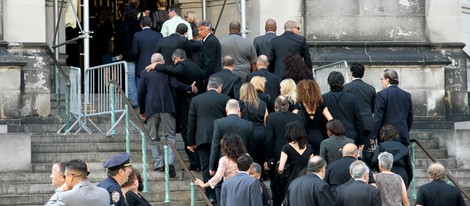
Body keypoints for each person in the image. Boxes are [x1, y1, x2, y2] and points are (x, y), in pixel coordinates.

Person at [138, 53, 196, 177]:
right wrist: (190, 88)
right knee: (170, 136)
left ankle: (159, 163)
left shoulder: (145, 73)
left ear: (152, 62)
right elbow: (176, 84)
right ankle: (170, 163)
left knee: (153, 137)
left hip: (151, 108)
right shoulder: (168, 72)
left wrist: (142, 109)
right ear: (163, 62)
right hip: (167, 107)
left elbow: (141, 92)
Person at [151, 49, 204, 171]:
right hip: (197, 101)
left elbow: (175, 71)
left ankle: (195, 163)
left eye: (174, 61)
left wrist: (157, 65)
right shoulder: (195, 66)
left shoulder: (182, 65)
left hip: (186, 104)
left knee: (187, 132)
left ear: (177, 58)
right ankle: (198, 161)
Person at [187, 76, 230, 202]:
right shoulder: (225, 99)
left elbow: (191, 122)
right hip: (221, 139)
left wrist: (191, 142)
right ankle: (220, 194)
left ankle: (210, 195)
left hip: (202, 138)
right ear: (220, 88)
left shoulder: (196, 99)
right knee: (220, 165)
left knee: (205, 166)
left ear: (207, 87)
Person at [264, 95, 301, 206]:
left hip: (277, 155)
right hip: (294, 153)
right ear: (288, 106)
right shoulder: (296, 117)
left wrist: (267, 158)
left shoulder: (271, 118)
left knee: (276, 186)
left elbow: (269, 139)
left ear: (276, 106)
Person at [195, 134, 248, 204]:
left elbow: (218, 177)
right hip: (245, 188)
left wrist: (204, 184)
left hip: (230, 190)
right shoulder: (246, 157)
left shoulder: (224, 160)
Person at [343, 63, 376, 166]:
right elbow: (374, 108)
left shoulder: (346, 88)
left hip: (351, 123)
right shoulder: (370, 88)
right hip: (367, 123)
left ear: (351, 73)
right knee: (368, 153)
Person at [209, 99, 254, 174]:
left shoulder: (218, 123)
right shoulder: (248, 125)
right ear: (238, 109)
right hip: (243, 162)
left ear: (226, 109)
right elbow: (251, 147)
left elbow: (215, 145)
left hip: (224, 163)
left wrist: (212, 166)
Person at [323, 71, 364, 148]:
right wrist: (360, 140)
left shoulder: (324, 98)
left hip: (331, 136)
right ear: (342, 82)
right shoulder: (352, 97)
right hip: (350, 135)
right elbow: (358, 119)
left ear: (329, 82)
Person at [373, 69, 413, 146]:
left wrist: (374, 135)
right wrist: (405, 130)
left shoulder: (381, 94)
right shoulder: (406, 95)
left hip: (386, 135)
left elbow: (378, 118)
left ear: (387, 79)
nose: (381, 81)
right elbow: (409, 117)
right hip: (402, 134)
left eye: (382, 79)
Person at [45, 159, 110, 206]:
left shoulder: (65, 197)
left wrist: (61, 189)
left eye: (66, 176)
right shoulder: (104, 193)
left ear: (70, 177)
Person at [294, 79, 333, 155]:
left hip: (304, 138)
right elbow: (331, 119)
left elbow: (294, 118)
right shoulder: (320, 103)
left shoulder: (299, 104)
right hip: (319, 136)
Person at [277, 120, 314, 201]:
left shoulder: (286, 148)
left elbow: (280, 169)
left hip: (292, 181)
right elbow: (312, 166)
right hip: (307, 181)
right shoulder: (309, 147)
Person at [114, 0, 141, 107]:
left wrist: (118, 52)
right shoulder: (139, 26)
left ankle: (133, 100)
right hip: (138, 54)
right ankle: (140, 99)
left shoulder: (122, 26)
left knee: (129, 77)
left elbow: (118, 41)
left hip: (127, 54)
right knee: (138, 77)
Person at [239, 82, 268, 165]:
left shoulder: (240, 104)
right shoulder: (262, 104)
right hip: (260, 133)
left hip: (245, 134)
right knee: (259, 159)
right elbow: (266, 120)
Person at [132, 16, 163, 81]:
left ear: (141, 25)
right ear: (151, 24)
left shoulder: (137, 35)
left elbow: (135, 51)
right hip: (156, 64)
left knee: (142, 87)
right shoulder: (159, 35)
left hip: (142, 64)